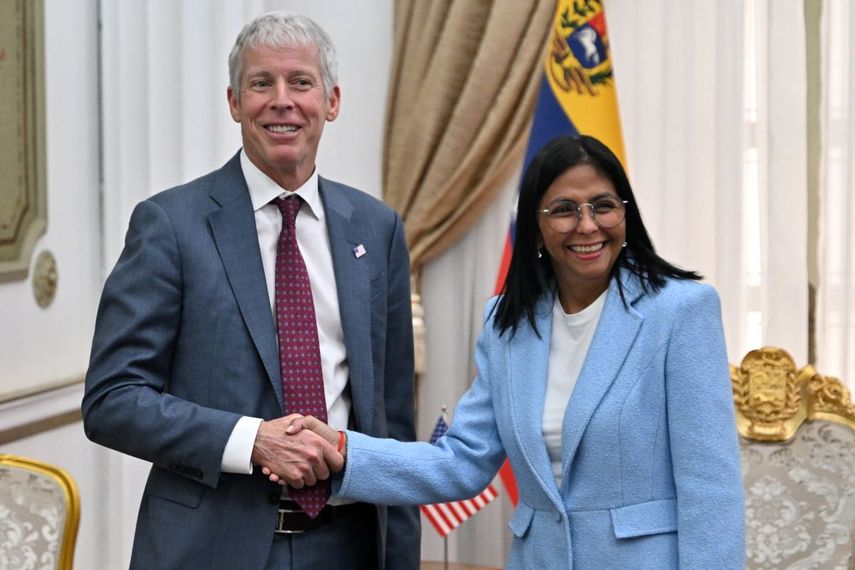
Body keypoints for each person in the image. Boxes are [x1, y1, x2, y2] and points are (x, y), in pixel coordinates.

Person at [279, 135, 746, 569]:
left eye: (604, 206)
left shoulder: (680, 311)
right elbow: (461, 461)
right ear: (536, 229)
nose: (587, 225)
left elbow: (711, 489)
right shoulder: (507, 324)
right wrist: (343, 450)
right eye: (564, 210)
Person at [82, 12, 419, 570]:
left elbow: (393, 421)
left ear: (331, 101)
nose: (282, 101)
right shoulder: (170, 225)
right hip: (210, 550)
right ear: (235, 103)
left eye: (301, 82)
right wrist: (251, 441)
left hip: (349, 545)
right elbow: (112, 401)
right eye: (262, 83)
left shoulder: (376, 229)